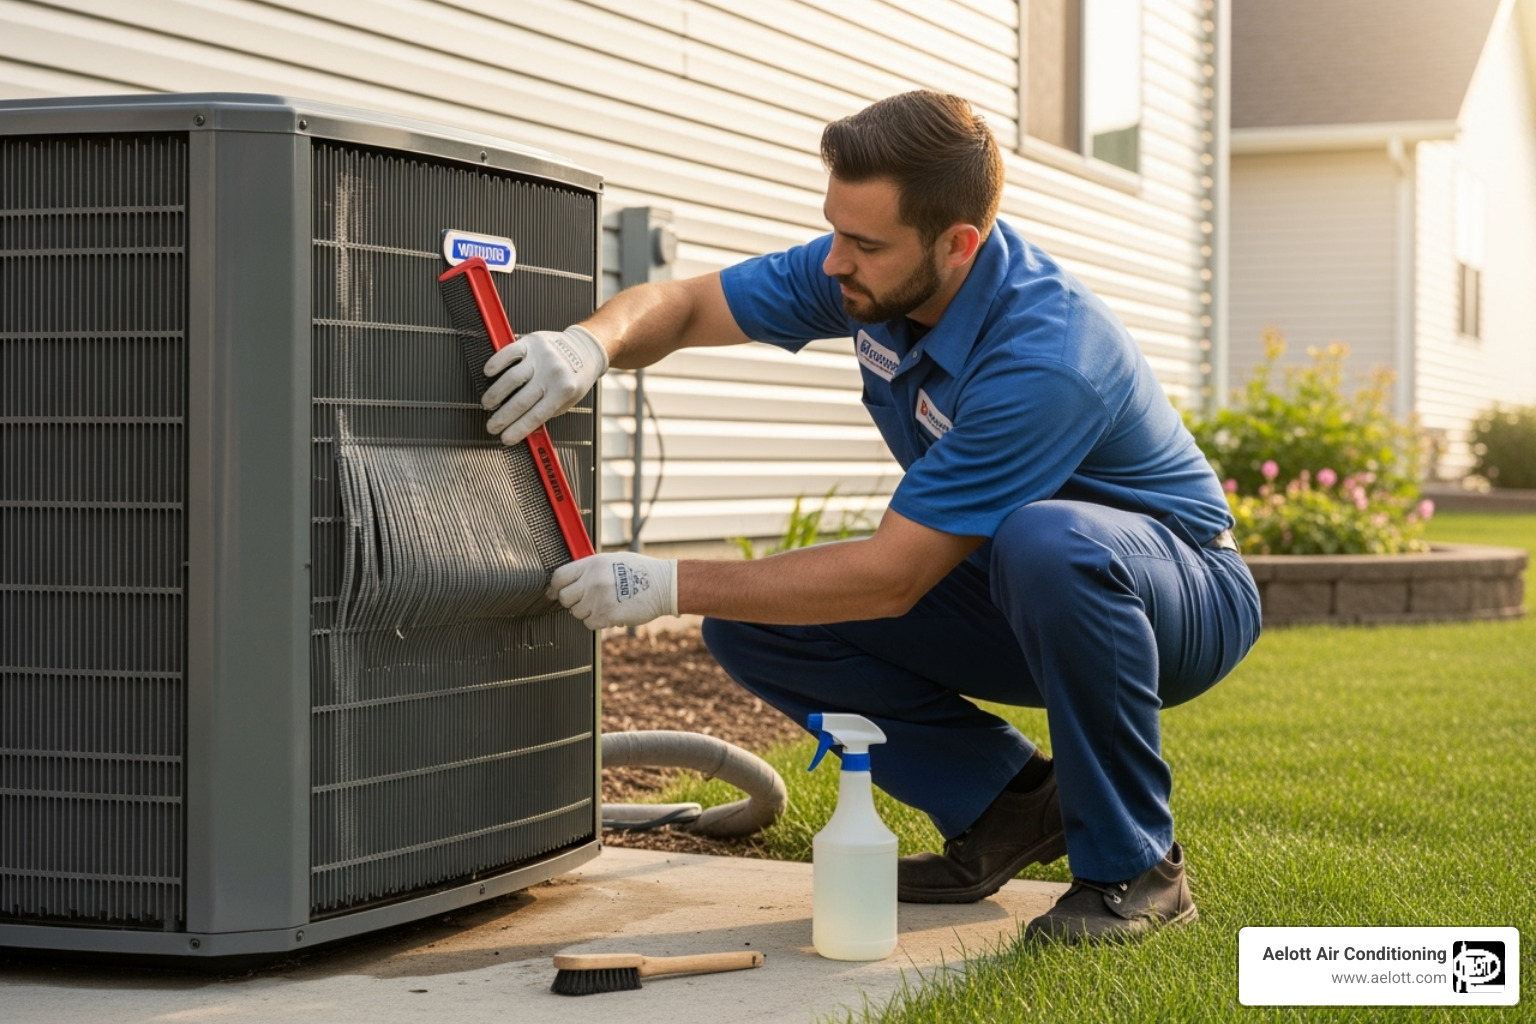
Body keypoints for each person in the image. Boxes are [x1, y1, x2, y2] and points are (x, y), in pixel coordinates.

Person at [479, 90, 1262, 944]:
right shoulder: (875, 275)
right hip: (1017, 580)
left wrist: (662, 581)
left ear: (959, 244)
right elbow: (688, 306)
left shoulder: (1047, 357)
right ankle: (1008, 809)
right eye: (835, 229)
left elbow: (893, 577)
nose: (834, 263)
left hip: (1175, 594)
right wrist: (588, 344)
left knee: (1047, 537)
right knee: (756, 622)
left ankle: (1137, 869)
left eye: (864, 243)